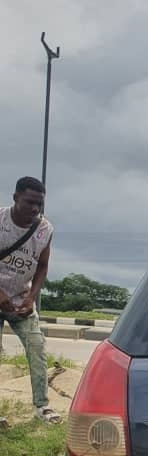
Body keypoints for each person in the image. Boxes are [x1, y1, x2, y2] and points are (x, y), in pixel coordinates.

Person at [0, 176, 60, 423]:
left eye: (40, 204)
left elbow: (43, 267)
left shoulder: (45, 230)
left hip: (20, 300)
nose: (35, 209)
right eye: (29, 202)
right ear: (15, 198)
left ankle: (42, 407)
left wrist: (31, 298)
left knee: (37, 346)